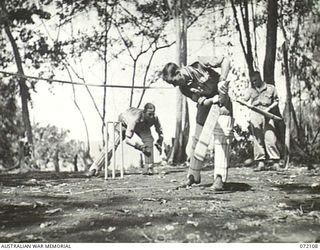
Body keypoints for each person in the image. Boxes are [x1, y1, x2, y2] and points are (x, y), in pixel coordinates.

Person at [162, 56, 233, 190]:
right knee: (198, 140)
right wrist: (212, 100)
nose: (174, 85)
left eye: (174, 81)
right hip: (207, 105)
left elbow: (226, 60)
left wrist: (222, 80)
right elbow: (201, 101)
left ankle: (219, 178)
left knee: (222, 139)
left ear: (179, 72)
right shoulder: (183, 89)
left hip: (223, 100)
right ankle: (193, 175)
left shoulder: (200, 63)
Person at [87, 103, 164, 177]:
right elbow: (127, 140)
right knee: (112, 145)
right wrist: (139, 147)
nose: (151, 116)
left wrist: (160, 141)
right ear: (144, 112)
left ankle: (149, 168)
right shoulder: (134, 119)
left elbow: (159, 130)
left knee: (149, 141)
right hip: (123, 124)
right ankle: (94, 168)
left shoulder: (154, 117)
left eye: (153, 114)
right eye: (149, 114)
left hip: (141, 126)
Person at [242, 71, 281, 171]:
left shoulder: (270, 88)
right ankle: (261, 163)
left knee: (270, 137)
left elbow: (276, 101)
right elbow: (244, 99)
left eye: (255, 80)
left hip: (267, 114)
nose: (254, 82)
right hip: (255, 114)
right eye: (252, 81)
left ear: (260, 78)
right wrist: (241, 101)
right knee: (257, 138)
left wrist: (269, 108)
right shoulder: (251, 90)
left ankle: (275, 162)